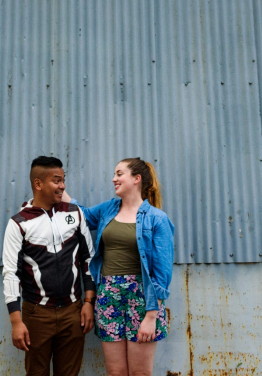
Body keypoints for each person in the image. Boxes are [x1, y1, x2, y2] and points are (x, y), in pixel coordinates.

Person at [63, 157, 174, 376]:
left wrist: (151, 316)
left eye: (119, 174)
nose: (114, 179)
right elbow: (81, 216)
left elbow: (162, 274)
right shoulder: (108, 210)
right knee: (115, 372)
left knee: (140, 373)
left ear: (136, 179)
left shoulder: (157, 219)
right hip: (108, 296)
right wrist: (61, 190)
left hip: (142, 300)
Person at [2, 156, 96, 376]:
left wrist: (89, 302)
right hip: (37, 314)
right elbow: (11, 273)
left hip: (73, 312)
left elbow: (88, 259)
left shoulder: (75, 213)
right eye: (56, 180)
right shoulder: (19, 223)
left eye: (63, 180)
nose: (62, 186)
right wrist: (16, 321)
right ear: (38, 184)